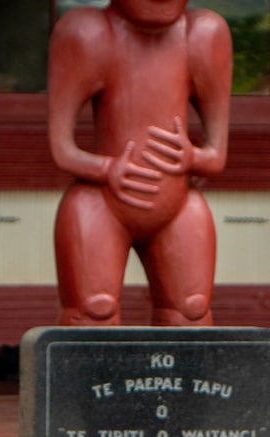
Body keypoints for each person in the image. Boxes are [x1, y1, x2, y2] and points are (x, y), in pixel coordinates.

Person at [47, 0, 232, 326]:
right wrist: (106, 169)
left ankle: (179, 378)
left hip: (177, 206)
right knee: (93, 312)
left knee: (192, 311)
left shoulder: (203, 35)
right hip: (101, 204)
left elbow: (216, 156)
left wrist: (192, 155)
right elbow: (62, 149)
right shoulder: (88, 33)